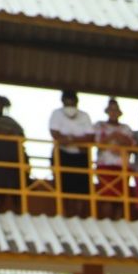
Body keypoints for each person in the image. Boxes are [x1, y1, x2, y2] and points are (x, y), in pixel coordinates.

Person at [49, 90, 95, 218]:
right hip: (62, 155)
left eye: (72, 100)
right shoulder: (56, 114)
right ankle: (65, 214)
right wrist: (76, 140)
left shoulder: (84, 116)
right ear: (62, 101)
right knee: (63, 186)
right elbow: (55, 134)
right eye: (67, 100)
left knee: (81, 188)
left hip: (81, 155)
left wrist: (69, 140)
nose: (70, 103)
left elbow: (90, 137)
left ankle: (78, 215)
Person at [91, 100, 135, 220]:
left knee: (121, 196)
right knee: (107, 195)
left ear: (119, 113)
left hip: (123, 166)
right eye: (111, 109)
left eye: (116, 110)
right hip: (105, 165)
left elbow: (131, 145)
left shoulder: (126, 128)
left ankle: (119, 220)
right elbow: (98, 142)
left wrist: (115, 140)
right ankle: (107, 221)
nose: (113, 112)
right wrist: (114, 137)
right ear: (107, 111)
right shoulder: (99, 125)